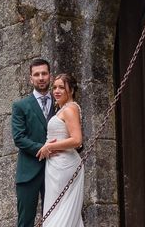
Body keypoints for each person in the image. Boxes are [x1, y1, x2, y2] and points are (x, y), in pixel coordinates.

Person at [11, 58, 56, 227]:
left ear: (50, 76)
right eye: (36, 74)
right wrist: (44, 149)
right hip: (28, 172)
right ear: (31, 79)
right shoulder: (20, 105)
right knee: (25, 221)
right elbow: (19, 137)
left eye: (44, 73)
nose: (41, 77)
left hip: (55, 169)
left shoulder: (60, 104)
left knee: (54, 218)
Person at [37, 73, 84, 226]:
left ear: (70, 90)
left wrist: (49, 146)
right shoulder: (63, 109)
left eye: (61, 87)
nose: (56, 91)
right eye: (54, 87)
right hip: (56, 166)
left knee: (61, 211)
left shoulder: (70, 109)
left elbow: (77, 140)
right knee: (57, 209)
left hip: (64, 165)